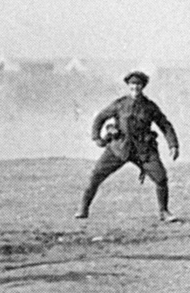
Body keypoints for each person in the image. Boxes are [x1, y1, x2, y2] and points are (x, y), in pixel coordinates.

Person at [75, 71, 179, 222]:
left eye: (138, 84)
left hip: (143, 150)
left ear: (143, 86)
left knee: (161, 178)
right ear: (129, 86)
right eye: (132, 84)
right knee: (96, 175)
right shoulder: (120, 104)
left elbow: (165, 124)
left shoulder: (149, 106)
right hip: (119, 148)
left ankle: (164, 211)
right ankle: (83, 208)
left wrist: (173, 145)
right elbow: (100, 117)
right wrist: (96, 137)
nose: (135, 87)